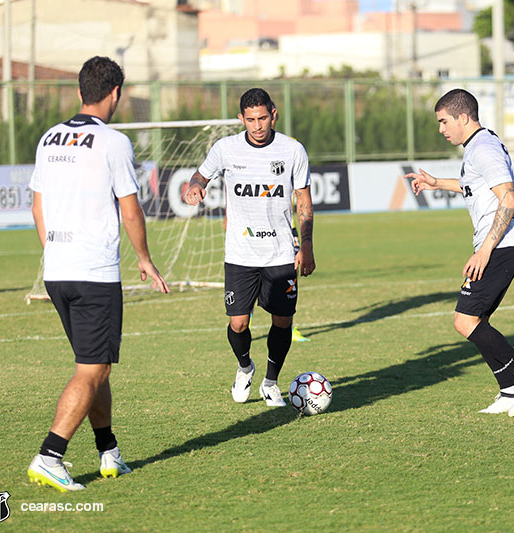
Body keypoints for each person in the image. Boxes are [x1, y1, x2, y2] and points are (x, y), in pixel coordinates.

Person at [27, 56, 170, 492]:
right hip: (93, 273)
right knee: (93, 371)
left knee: (94, 366)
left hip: (58, 270)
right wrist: (144, 259)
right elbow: (130, 208)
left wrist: (55, 254)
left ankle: (108, 451)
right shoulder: (113, 142)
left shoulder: (49, 137)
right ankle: (50, 455)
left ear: (78, 92)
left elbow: (37, 206)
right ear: (116, 94)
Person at [405, 89, 514, 417]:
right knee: (476, 319)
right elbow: (475, 185)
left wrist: (485, 251)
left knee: (464, 320)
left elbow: (509, 200)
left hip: (501, 246)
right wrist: (436, 183)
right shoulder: (479, 146)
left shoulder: (483, 148)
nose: (441, 129)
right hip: (500, 245)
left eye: (444, 121)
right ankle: (508, 389)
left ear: (463, 117)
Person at [184, 88, 315, 407]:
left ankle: (271, 382)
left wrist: (307, 244)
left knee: (282, 321)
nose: (257, 126)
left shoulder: (292, 150)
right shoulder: (225, 148)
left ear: (274, 114)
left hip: (281, 252)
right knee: (238, 323)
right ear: (241, 119)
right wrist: (195, 187)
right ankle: (245, 368)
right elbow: (200, 175)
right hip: (240, 253)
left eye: (263, 118)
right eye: (250, 120)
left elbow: (303, 201)